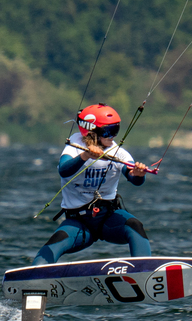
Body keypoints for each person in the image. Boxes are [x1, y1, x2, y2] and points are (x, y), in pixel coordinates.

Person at [33, 103, 151, 266]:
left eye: (115, 130)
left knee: (135, 226)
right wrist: (85, 156)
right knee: (52, 245)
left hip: (108, 219)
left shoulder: (118, 153)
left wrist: (137, 175)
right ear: (91, 132)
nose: (112, 136)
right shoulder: (74, 148)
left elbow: (134, 178)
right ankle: (35, 274)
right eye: (108, 131)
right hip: (78, 224)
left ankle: (144, 270)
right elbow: (64, 170)